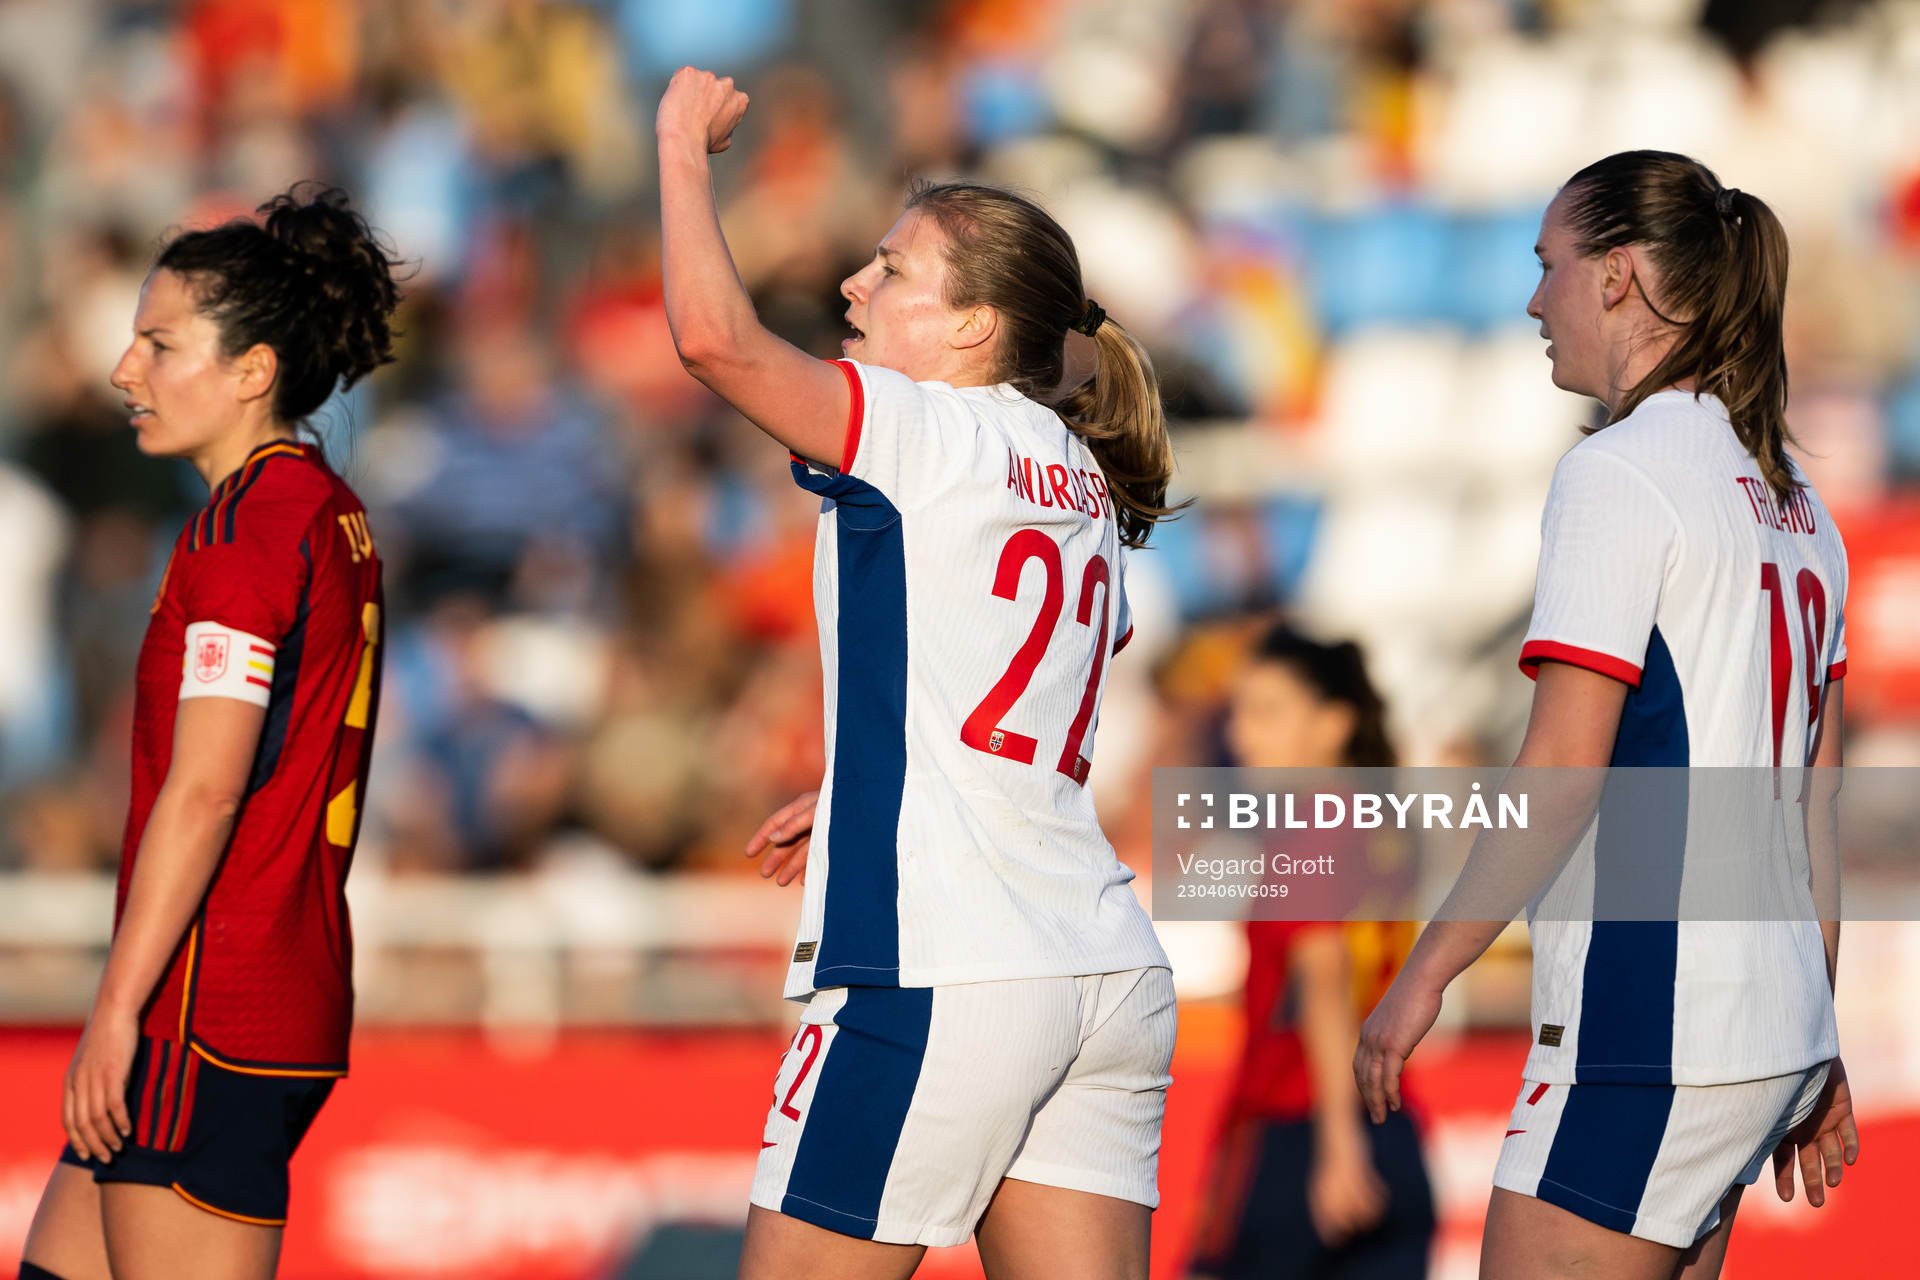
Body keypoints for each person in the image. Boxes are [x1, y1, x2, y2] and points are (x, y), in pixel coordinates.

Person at [658, 67, 1179, 1280]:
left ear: (974, 327)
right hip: (1100, 959)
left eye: (892, 271)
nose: (853, 282)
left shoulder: (925, 426)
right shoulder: (1080, 471)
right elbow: (1025, 679)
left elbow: (711, 340)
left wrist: (680, 144)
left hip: (943, 960)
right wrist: (869, 789)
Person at [1353, 151, 1857, 1280]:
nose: (1535, 300)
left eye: (1549, 266)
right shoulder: (1800, 503)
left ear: (1619, 275)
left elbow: (1561, 775)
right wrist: (1816, 1042)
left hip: (1653, 1021)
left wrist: (1422, 976)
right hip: (1766, 1026)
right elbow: (1817, 813)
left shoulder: (1622, 474)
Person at [19, 185, 401, 1280]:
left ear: (252, 371)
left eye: (157, 342)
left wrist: (114, 1008)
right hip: (256, 990)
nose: (122, 371)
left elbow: (207, 790)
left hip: (209, 1003)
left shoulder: (245, 533)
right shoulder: (322, 506)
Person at [1189, 624, 1433, 1279]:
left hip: (1302, 1133)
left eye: (1268, 712)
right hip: (1396, 1127)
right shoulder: (1384, 823)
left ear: (1333, 723)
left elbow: (1324, 979)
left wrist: (1339, 1147)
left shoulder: (1310, 826)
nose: (1243, 734)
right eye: (1238, 712)